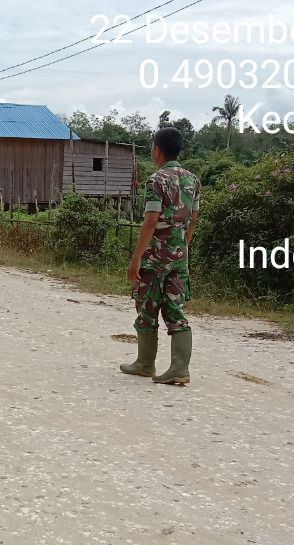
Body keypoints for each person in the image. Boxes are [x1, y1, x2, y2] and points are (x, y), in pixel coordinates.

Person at [120, 126, 201, 385]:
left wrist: (136, 258)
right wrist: (183, 244)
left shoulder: (156, 180)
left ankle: (145, 363)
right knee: (175, 306)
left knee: (146, 306)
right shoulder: (193, 180)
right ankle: (180, 368)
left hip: (155, 256)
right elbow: (194, 218)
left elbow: (150, 221)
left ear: (156, 150)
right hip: (180, 255)